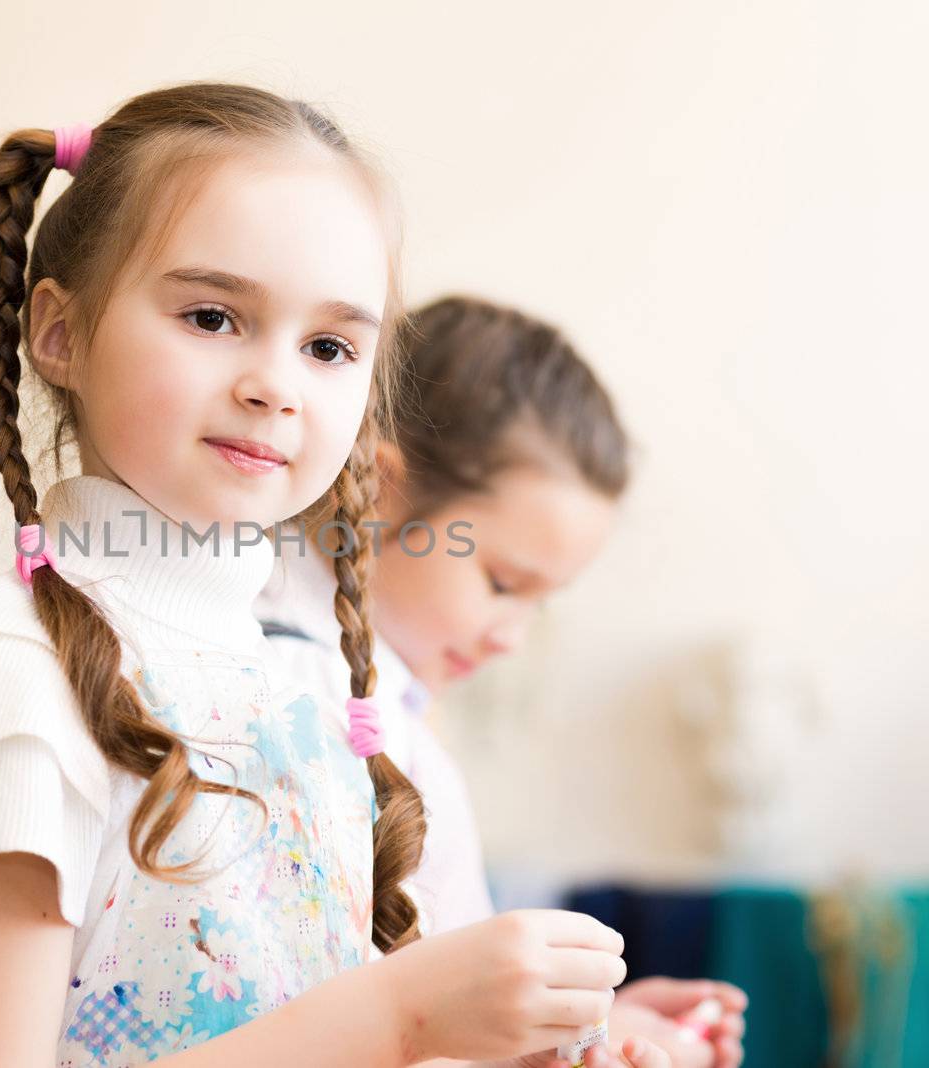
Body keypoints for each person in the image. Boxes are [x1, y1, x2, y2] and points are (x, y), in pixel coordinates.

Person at [0, 86, 662, 1068]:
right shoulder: (8, 690)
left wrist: (529, 1044)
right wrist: (400, 1015)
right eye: (212, 316)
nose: (275, 383)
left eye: (328, 347)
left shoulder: (310, 687)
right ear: (58, 333)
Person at [258, 296, 747, 1067]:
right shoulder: (296, 705)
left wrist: (581, 1028)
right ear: (382, 491)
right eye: (505, 582)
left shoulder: (378, 708)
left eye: (539, 603)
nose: (513, 638)